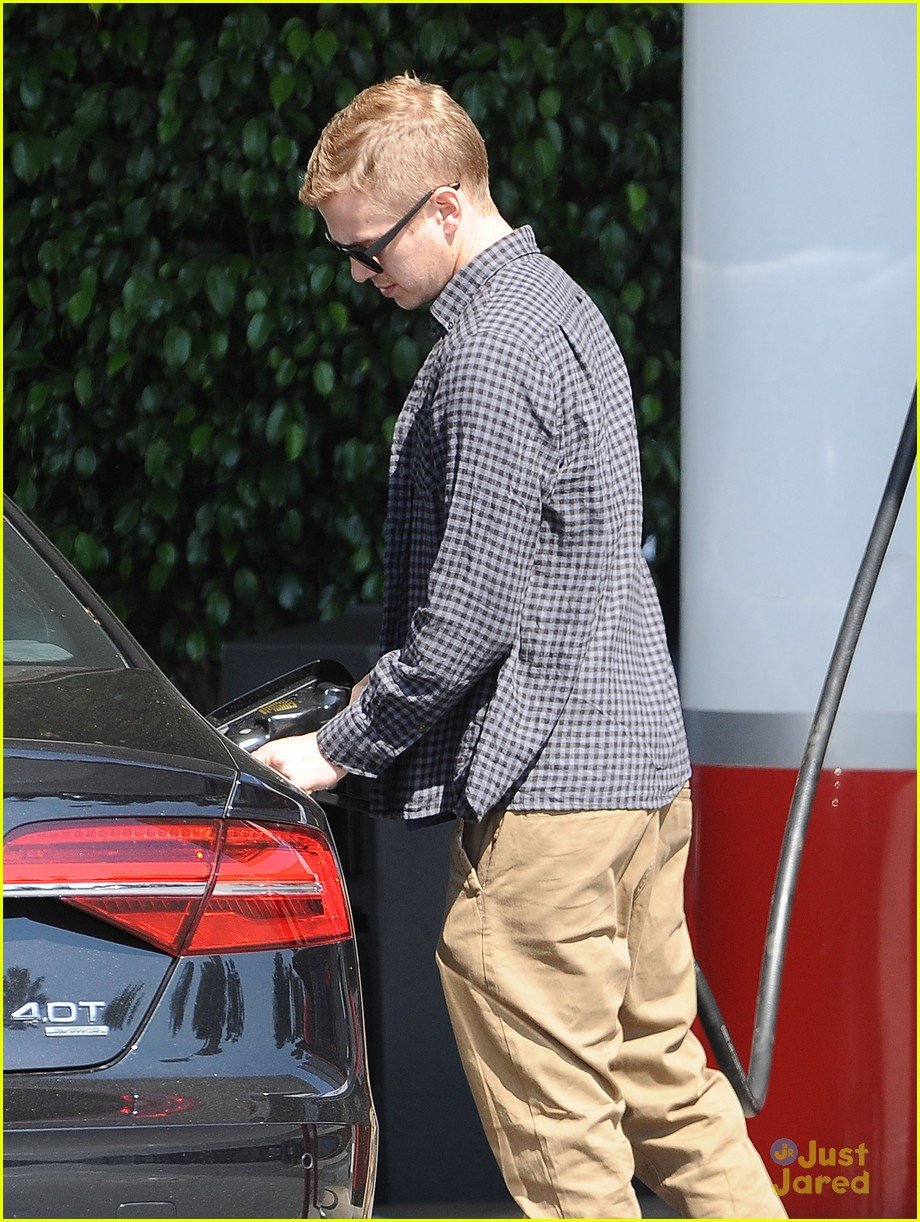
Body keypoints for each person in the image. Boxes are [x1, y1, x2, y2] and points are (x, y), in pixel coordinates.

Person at [253, 73, 785, 1220]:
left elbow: (467, 617)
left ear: (444, 207)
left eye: (369, 247)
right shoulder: (563, 304)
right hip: (640, 777)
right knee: (670, 1097)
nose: (358, 275)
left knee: (562, 1146)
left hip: (550, 802)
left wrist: (335, 748)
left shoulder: (489, 352)